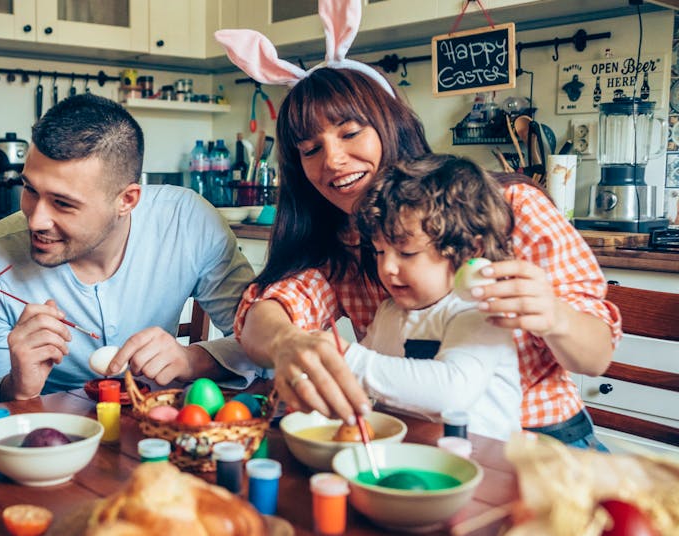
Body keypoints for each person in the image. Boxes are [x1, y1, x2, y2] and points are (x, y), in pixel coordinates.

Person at [215, 0, 620, 449]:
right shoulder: (343, 239)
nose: (332, 160)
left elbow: (597, 356)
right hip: (422, 443)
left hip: (546, 447)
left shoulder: (509, 207)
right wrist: (288, 341)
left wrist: (555, 316)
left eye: (350, 134)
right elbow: (261, 316)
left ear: (393, 124)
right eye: (310, 150)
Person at [0, 93, 258, 402]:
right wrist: (17, 386)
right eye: (31, 190)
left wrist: (192, 360)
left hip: (156, 427)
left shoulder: (187, 222)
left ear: (126, 200)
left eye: (63, 203)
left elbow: (263, 343)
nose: (35, 221)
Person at [337, 154, 521, 440]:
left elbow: (451, 391)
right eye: (379, 251)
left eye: (407, 253)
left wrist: (347, 357)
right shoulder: (390, 312)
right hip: (410, 455)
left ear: (470, 250)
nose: (387, 268)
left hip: (484, 465)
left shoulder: (480, 311)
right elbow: (358, 381)